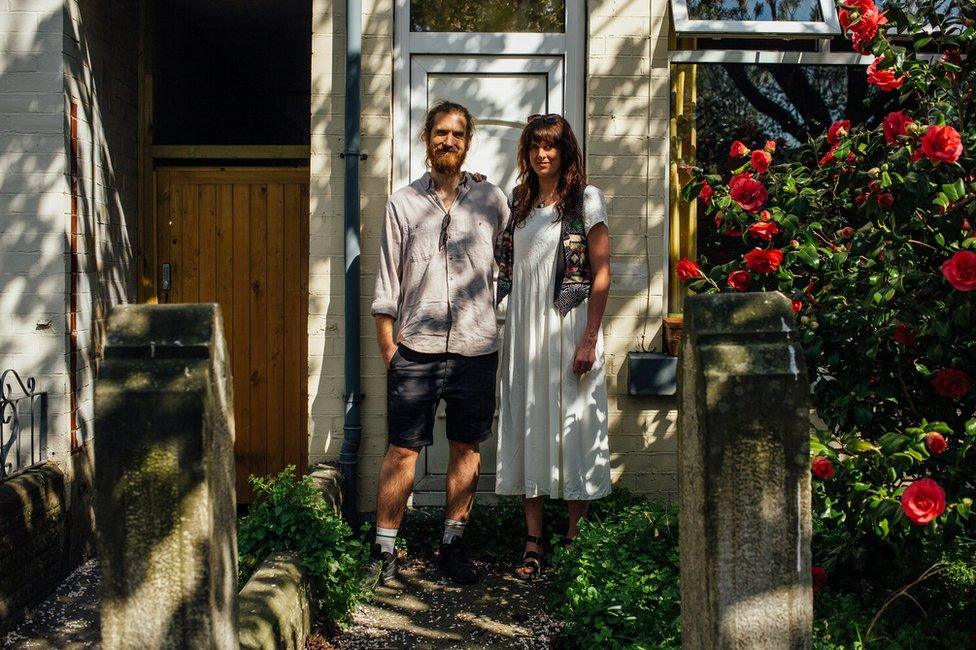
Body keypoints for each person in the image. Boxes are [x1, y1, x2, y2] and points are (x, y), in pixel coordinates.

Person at [368, 101, 510, 586]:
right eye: (440, 133)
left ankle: (453, 547)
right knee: (402, 450)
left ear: (468, 142)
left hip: (476, 348)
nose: (449, 141)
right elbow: (387, 281)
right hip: (416, 349)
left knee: (466, 447)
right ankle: (383, 552)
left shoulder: (492, 200)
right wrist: (391, 349)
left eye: (458, 134)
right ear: (426, 138)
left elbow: (512, 262)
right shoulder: (402, 203)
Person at [494, 113, 612, 579]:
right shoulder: (518, 202)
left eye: (552, 146)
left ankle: (574, 537)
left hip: (569, 327)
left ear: (566, 152)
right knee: (529, 422)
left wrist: (590, 338)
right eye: (535, 147)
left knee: (575, 424)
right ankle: (533, 539)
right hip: (525, 332)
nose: (543, 154)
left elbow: (602, 274)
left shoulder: (586, 200)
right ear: (526, 153)